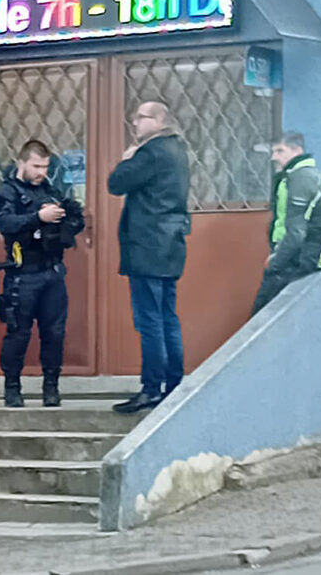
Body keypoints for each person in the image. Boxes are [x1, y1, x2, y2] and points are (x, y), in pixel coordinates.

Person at [108, 102, 191, 415]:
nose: (134, 123)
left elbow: (116, 184)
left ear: (158, 120)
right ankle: (173, 384)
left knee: (150, 320)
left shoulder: (151, 152)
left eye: (140, 118)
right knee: (168, 317)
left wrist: (126, 159)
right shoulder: (178, 150)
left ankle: (151, 388)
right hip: (170, 247)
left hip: (147, 247)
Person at [0, 140, 85, 408]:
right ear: (22, 163)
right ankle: (12, 389)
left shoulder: (50, 191)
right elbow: (5, 223)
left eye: (45, 166)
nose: (41, 171)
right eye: (36, 166)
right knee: (18, 334)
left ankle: (51, 389)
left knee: (54, 334)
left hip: (52, 273)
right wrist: (38, 218)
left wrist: (68, 221)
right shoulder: (7, 193)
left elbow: (73, 222)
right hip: (23, 276)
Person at [251, 131, 321, 315]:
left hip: (297, 264)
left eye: (280, 151)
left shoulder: (301, 179)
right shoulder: (305, 176)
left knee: (262, 318)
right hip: (304, 260)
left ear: (297, 151)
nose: (274, 157)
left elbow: (296, 233)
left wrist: (276, 262)